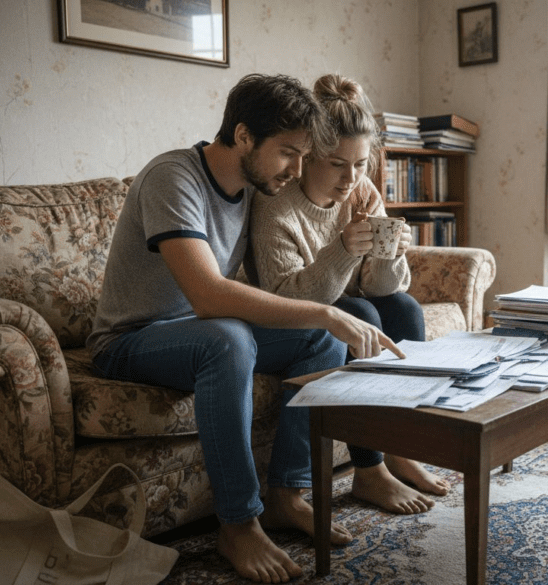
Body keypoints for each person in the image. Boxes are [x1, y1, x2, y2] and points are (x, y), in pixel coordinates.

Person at [86, 73, 405, 584]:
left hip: (196, 331)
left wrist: (329, 311)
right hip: (130, 339)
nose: (298, 170)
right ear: (241, 136)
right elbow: (209, 296)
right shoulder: (174, 177)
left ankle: (286, 494)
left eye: (305, 155)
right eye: (288, 153)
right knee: (235, 336)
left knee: (322, 340)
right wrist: (324, 310)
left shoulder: (253, 186)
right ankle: (238, 522)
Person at [249, 73, 451, 501]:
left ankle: (398, 447)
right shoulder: (275, 206)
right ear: (307, 157)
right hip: (288, 314)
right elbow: (287, 301)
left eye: (361, 165)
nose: (351, 179)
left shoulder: (362, 191)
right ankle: (369, 467)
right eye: (338, 165)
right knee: (362, 316)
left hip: (346, 301)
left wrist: (390, 254)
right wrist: (342, 250)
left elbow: (381, 288)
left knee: (405, 309)